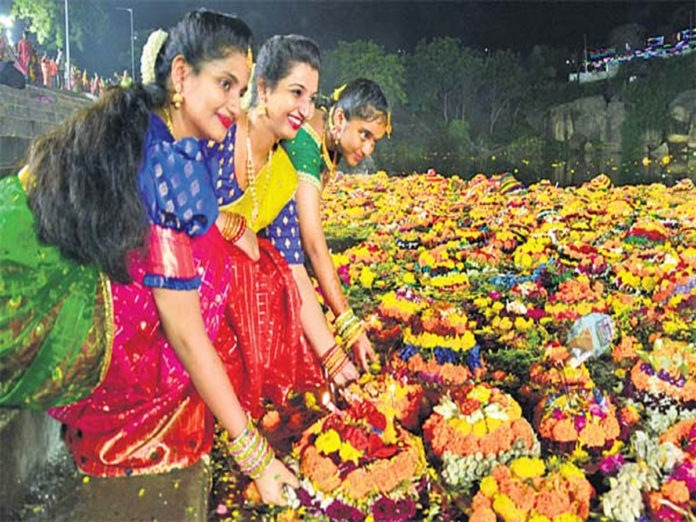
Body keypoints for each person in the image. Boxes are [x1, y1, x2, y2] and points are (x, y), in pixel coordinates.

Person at [0, 9, 295, 506]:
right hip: (24, 302)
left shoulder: (143, 121)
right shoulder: (169, 164)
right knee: (202, 279)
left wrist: (224, 225)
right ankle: (129, 423)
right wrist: (258, 459)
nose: (234, 104)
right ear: (181, 74)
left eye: (240, 91)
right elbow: (182, 328)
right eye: (224, 83)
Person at [211, 34, 360, 422]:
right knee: (249, 267)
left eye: (311, 98)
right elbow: (169, 192)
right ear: (263, 88)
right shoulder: (222, 131)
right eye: (296, 93)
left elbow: (294, 267)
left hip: (214, 289)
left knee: (275, 269)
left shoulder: (282, 174)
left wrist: (332, 355)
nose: (305, 109)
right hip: (169, 268)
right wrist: (224, 223)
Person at [270, 79, 390, 370]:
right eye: (364, 135)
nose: (368, 148)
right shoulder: (304, 142)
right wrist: (349, 326)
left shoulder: (328, 142)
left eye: (374, 140)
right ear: (340, 118)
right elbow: (311, 242)